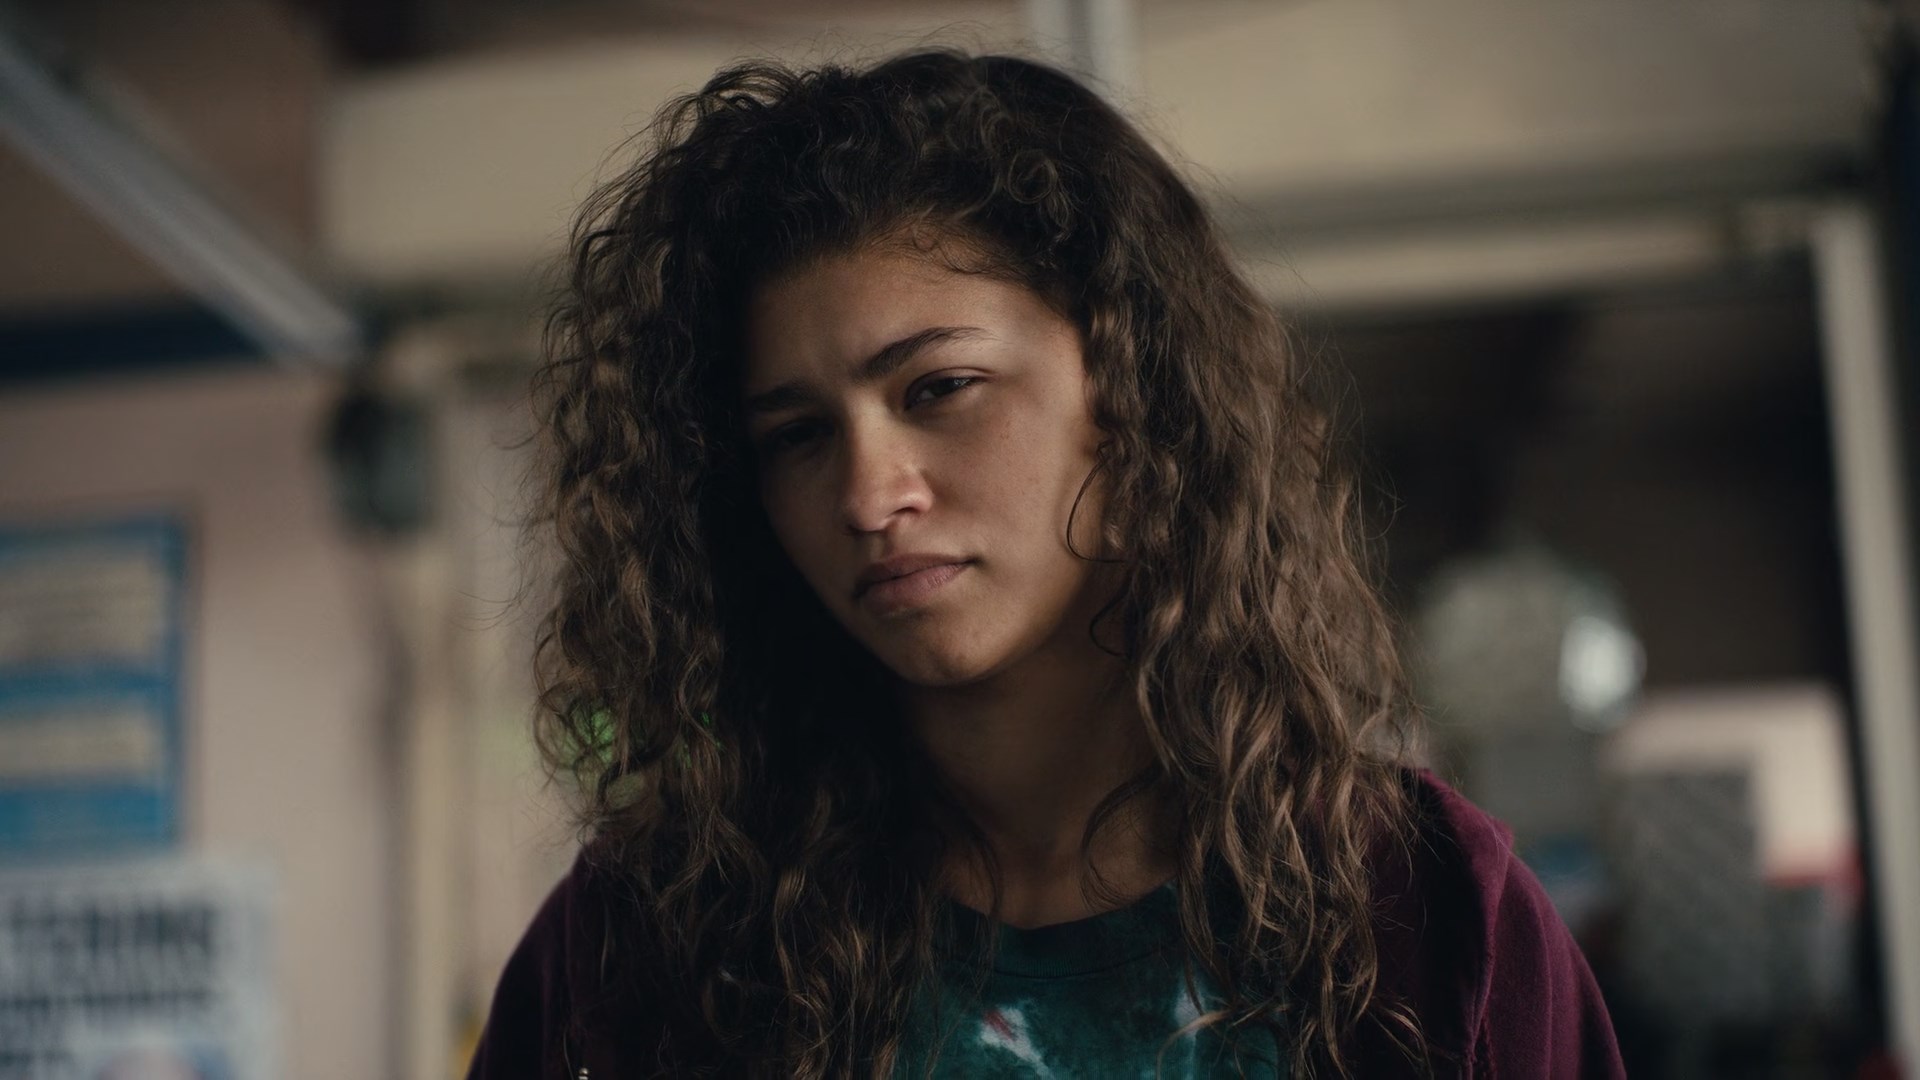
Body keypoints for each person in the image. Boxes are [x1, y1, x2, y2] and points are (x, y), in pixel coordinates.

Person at [468, 49, 1624, 1079]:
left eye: (940, 389)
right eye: (799, 436)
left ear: (1129, 394)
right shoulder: (643, 941)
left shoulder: (1421, 912)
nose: (869, 496)